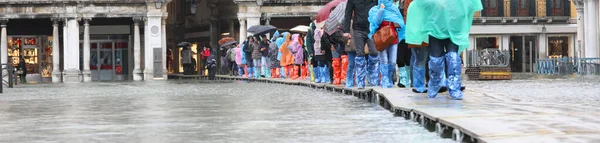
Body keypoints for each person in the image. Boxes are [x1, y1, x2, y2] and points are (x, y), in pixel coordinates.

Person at [405, 0, 482, 100]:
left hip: (453, 30)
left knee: (453, 59)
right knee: (435, 61)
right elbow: (420, 3)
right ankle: (435, 83)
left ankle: (454, 88)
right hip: (435, 30)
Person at [368, 0, 404, 88]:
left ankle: (389, 77)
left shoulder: (394, 8)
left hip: (393, 38)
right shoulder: (375, 10)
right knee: (384, 60)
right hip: (382, 38)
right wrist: (381, 10)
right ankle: (384, 79)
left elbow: (401, 22)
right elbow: (376, 22)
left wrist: (398, 24)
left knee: (393, 61)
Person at [344, 0, 379, 89]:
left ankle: (371, 74)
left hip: (371, 28)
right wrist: (346, 31)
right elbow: (347, 14)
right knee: (360, 53)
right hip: (358, 29)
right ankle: (360, 80)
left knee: (374, 52)